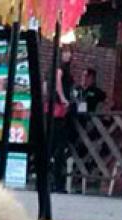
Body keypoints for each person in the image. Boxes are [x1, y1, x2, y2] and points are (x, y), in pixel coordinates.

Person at [48, 49, 75, 193]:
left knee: (53, 146)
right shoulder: (60, 68)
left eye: (69, 52)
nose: (68, 55)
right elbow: (58, 82)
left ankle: (52, 179)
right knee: (58, 146)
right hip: (59, 110)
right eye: (65, 52)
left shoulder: (54, 68)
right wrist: (63, 99)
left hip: (53, 109)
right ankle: (56, 181)